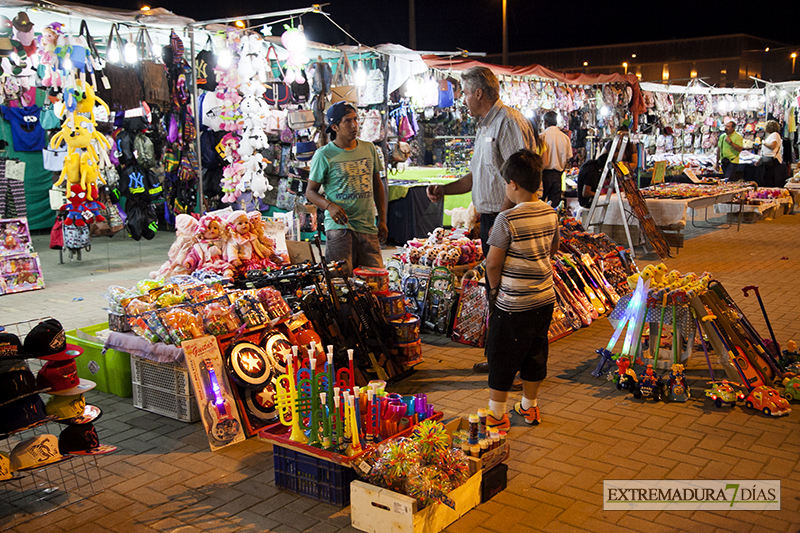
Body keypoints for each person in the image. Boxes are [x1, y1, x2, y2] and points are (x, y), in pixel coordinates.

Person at [483, 149, 559, 430]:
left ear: (513, 184)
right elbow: (553, 249)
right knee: (535, 351)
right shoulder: (550, 213)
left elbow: (493, 263)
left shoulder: (507, 220)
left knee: (502, 354)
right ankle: (529, 407)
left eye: (506, 184)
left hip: (514, 302)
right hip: (544, 297)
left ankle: (496, 413)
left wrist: (494, 293)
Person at [426, 66, 536, 259]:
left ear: (478, 94)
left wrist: (501, 221)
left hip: (507, 220)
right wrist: (444, 190)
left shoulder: (508, 122)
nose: (463, 99)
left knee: (504, 282)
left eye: (466, 93)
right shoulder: (484, 127)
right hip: (491, 219)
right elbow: (475, 177)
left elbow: (519, 179)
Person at [306, 101, 387, 277]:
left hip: (367, 225)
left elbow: (377, 184)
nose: (354, 125)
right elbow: (310, 192)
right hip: (339, 227)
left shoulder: (368, 148)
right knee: (342, 282)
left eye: (356, 120)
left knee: (375, 280)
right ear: (334, 126)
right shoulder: (324, 154)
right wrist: (329, 206)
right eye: (348, 121)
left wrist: (382, 219)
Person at [540, 111, 572, 208]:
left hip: (544, 174)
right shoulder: (564, 138)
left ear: (545, 122)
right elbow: (568, 157)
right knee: (554, 205)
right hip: (558, 174)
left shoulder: (542, 137)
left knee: (540, 203)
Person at [760, 120, 783, 187]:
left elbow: (772, 145)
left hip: (772, 159)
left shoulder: (775, 135)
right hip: (771, 159)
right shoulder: (774, 135)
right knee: (769, 177)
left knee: (768, 177)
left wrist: (764, 143)